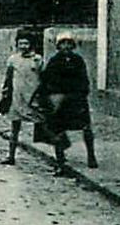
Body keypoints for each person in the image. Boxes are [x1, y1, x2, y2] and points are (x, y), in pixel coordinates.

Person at [38, 32, 98, 174]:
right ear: (58, 46)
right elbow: (47, 80)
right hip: (60, 100)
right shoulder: (54, 61)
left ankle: (91, 156)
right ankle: (60, 161)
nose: (66, 46)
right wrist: (52, 97)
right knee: (58, 129)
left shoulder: (78, 60)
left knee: (86, 127)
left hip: (76, 99)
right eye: (63, 44)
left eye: (69, 43)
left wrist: (82, 93)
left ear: (73, 45)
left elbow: (84, 79)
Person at [0, 31, 47, 166]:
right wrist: (5, 93)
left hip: (33, 98)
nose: (23, 46)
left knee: (46, 126)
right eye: (21, 43)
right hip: (17, 98)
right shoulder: (13, 60)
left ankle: (59, 159)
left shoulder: (38, 60)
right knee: (14, 128)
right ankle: (11, 156)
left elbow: (44, 79)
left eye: (26, 43)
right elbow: (8, 78)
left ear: (31, 44)